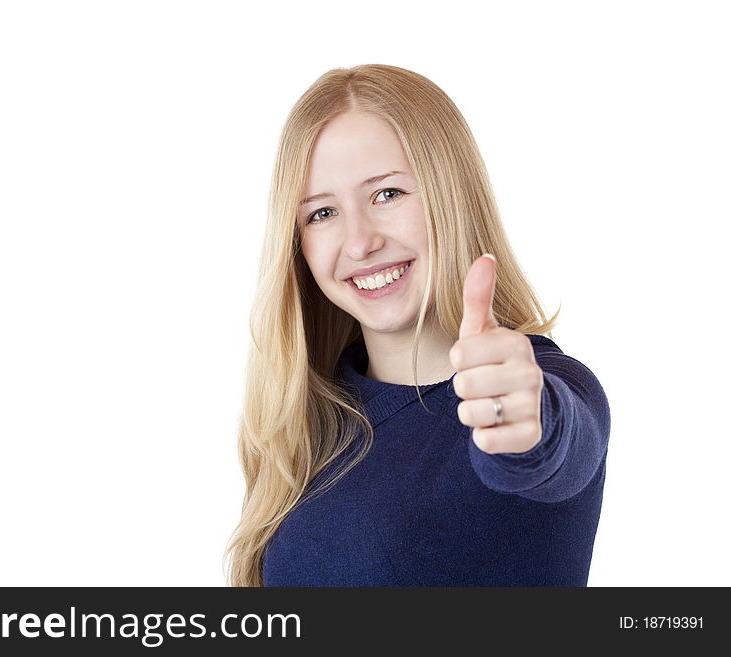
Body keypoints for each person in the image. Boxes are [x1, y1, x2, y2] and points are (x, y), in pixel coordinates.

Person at [223, 64, 611, 587]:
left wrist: (528, 418)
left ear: (452, 194)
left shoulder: (544, 385)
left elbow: (556, 444)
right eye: (321, 214)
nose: (359, 242)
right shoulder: (310, 419)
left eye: (387, 194)